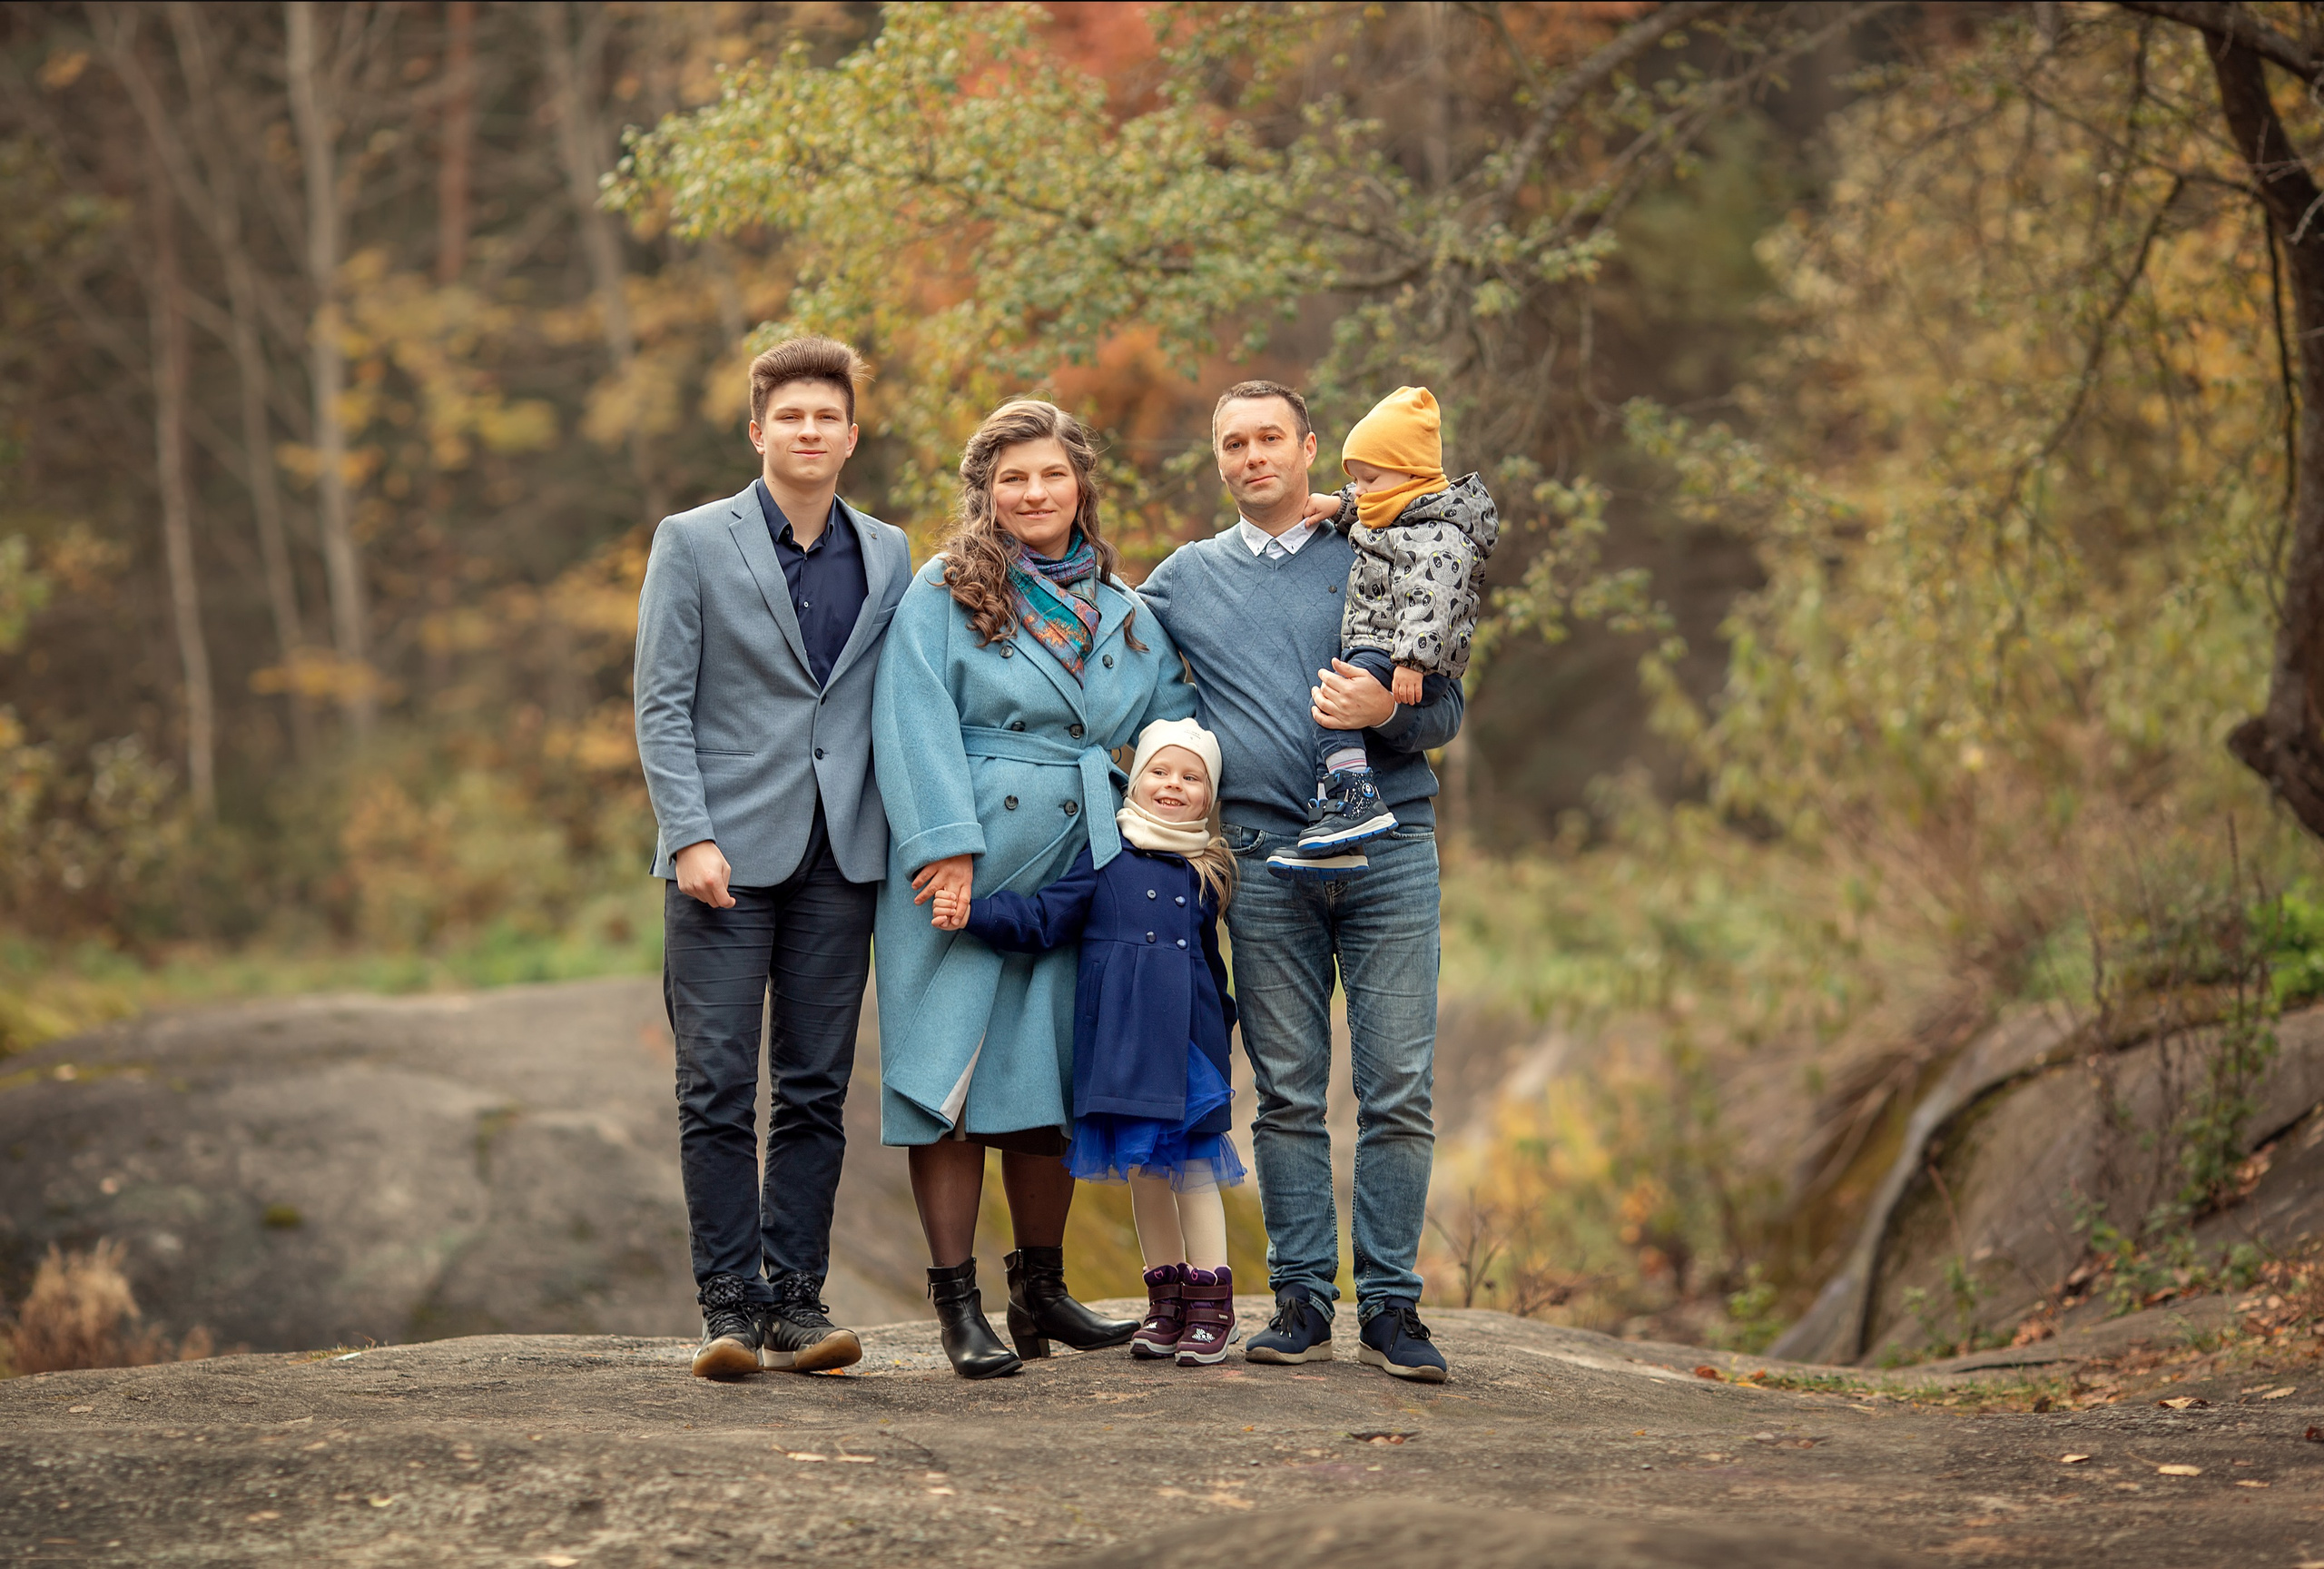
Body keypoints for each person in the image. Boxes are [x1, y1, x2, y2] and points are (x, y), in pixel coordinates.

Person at [1137, 380, 1460, 1384]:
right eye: (1232, 443)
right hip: (1266, 860)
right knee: (1282, 1092)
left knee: (1396, 1087)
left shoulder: (1382, 546)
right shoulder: (1185, 580)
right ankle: (1304, 1300)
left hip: (1391, 847)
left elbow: (1443, 709)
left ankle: (1395, 1307)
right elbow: (1096, 659)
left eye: (1269, 437)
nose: (1251, 457)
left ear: (1310, 448)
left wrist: (1383, 714)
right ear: (1219, 461)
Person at [871, 399, 1198, 1379]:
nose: (1034, 493)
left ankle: (1040, 1291)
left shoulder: (1129, 610)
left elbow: (1175, 729)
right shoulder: (946, 589)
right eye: (1012, 478)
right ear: (987, 492)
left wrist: (1164, 838)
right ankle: (955, 1303)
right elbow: (910, 714)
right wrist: (946, 844)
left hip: (1083, 861)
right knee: (949, 1080)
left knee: (1048, 1077)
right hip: (960, 852)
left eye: (1050, 474)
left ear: (1079, 483)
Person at [634, 335, 912, 1379]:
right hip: (723, 860)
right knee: (714, 1085)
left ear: (850, 434)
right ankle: (726, 1309)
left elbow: (899, 699)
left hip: (843, 856)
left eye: (826, 417)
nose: (808, 431)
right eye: (789, 416)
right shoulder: (692, 541)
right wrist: (690, 833)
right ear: (759, 431)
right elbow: (661, 704)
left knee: (813, 1088)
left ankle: (795, 1304)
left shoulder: (888, 552)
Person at [938, 718, 1247, 1367]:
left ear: (1209, 795)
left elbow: (1212, 976)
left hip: (1186, 1049)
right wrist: (976, 912)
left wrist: (1221, 1038)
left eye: (1192, 778)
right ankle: (1165, 1304)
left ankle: (1212, 1305)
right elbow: (1045, 917)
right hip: (1124, 1048)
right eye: (1160, 771)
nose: (1174, 785)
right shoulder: (1105, 859)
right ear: (1133, 783)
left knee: (1191, 1170)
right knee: (1144, 1173)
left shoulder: (1208, 870)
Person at [1271, 385, 1498, 877]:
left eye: (1368, 480)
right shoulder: (1396, 512)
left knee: (1334, 701)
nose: (1361, 492)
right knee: (1336, 702)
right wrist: (1336, 505)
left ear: (1410, 476)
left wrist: (1413, 662)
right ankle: (1339, 808)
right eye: (1355, 482)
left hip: (1407, 656)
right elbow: (1367, 509)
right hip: (1386, 648)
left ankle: (1355, 797)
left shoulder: (1437, 537)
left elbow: (1436, 599)